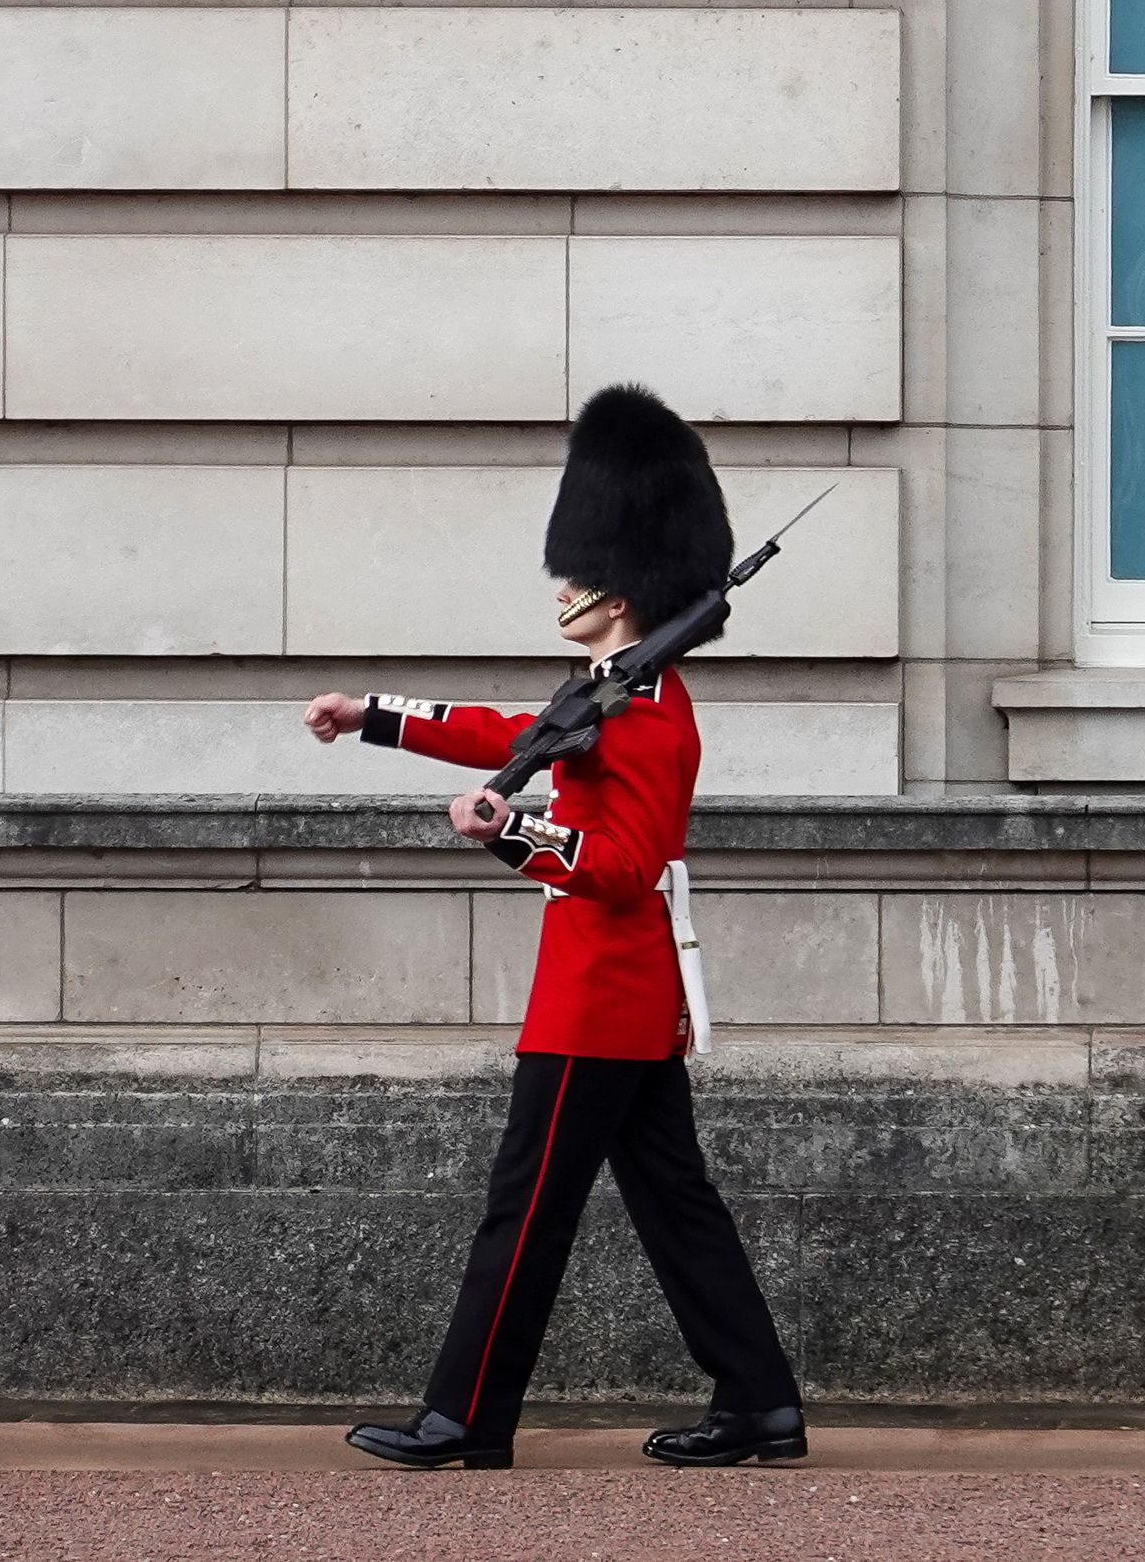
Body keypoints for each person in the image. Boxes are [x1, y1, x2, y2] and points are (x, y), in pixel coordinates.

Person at [301, 384, 809, 1473]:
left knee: (522, 1213)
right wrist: (373, 714)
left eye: (581, 573)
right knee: (678, 1208)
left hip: (596, 1004)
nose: (565, 586)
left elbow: (623, 867)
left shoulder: (649, 719)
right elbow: (510, 728)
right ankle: (760, 1404)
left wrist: (508, 836)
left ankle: (466, 1417)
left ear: (624, 590)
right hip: (620, 1002)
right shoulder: (613, 694)